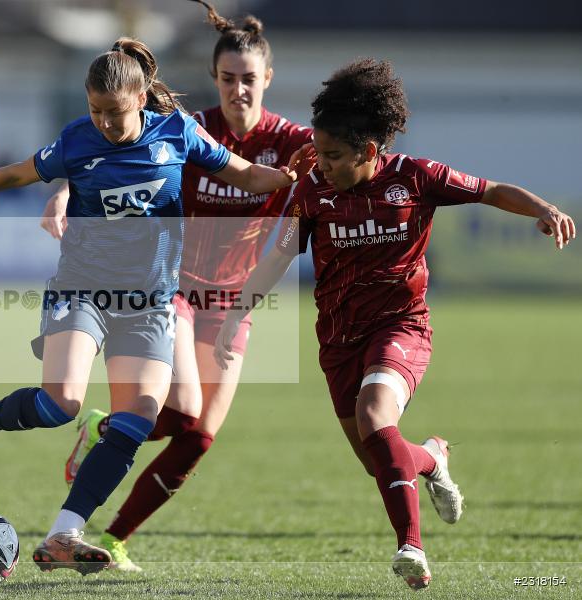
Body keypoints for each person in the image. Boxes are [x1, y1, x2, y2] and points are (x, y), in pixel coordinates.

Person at [0, 37, 315, 575]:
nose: (106, 123)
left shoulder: (177, 130)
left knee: (137, 419)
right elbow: (19, 171)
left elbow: (244, 173)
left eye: (115, 112)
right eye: (96, 111)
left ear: (140, 101)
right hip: (84, 290)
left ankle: (66, 531)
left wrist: (287, 179)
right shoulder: (77, 141)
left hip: (152, 302)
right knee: (61, 403)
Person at [214, 58, 575, 590]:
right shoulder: (313, 190)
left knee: (374, 414)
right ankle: (431, 458)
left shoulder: (416, 178)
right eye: (320, 151)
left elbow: (491, 190)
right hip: (337, 341)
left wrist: (543, 207)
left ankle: (411, 547)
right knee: (378, 457)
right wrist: (237, 313)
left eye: (334, 155)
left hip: (401, 329)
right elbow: (280, 256)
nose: (323, 163)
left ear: (369, 150)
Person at [40, 1, 314, 572]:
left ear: (268, 80)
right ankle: (102, 456)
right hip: (173, 286)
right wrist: (66, 192)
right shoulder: (187, 131)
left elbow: (336, 173)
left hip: (234, 298)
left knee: (198, 436)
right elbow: (110, 162)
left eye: (249, 79)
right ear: (215, 80)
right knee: (184, 405)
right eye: (227, 78)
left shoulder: (293, 144)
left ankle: (113, 532)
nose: (238, 89)